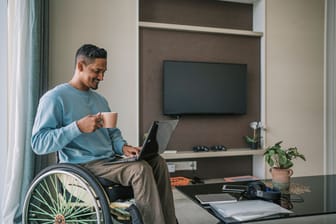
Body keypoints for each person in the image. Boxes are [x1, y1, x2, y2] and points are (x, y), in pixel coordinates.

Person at [31, 44, 177, 224]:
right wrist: (77, 127)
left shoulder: (100, 101)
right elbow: (38, 143)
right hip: (84, 165)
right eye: (97, 71)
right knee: (140, 169)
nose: (101, 77)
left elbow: (113, 134)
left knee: (157, 162)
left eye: (104, 72)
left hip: (110, 161)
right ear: (80, 66)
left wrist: (124, 147)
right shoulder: (55, 98)